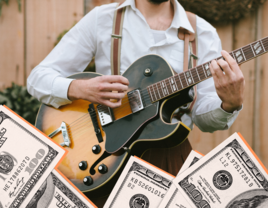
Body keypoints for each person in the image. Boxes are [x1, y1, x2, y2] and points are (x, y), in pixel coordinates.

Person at [27, 0, 244, 204]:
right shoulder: (103, 19)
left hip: (168, 159)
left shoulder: (202, 33)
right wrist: (79, 88)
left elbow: (204, 120)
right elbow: (38, 79)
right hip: (107, 158)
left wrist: (229, 104)